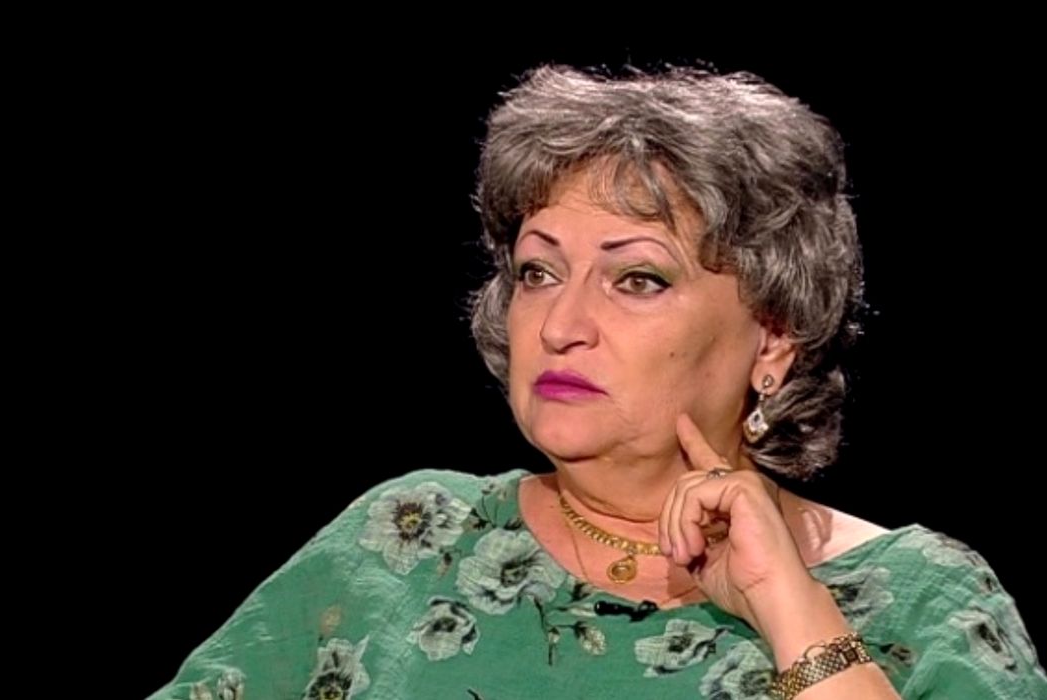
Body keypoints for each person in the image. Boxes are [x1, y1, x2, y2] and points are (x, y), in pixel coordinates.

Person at [149, 65, 1046, 699]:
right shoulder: (407, 539)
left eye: (637, 279)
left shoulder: (924, 598)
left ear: (773, 336)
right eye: (539, 273)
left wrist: (791, 611)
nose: (561, 325)